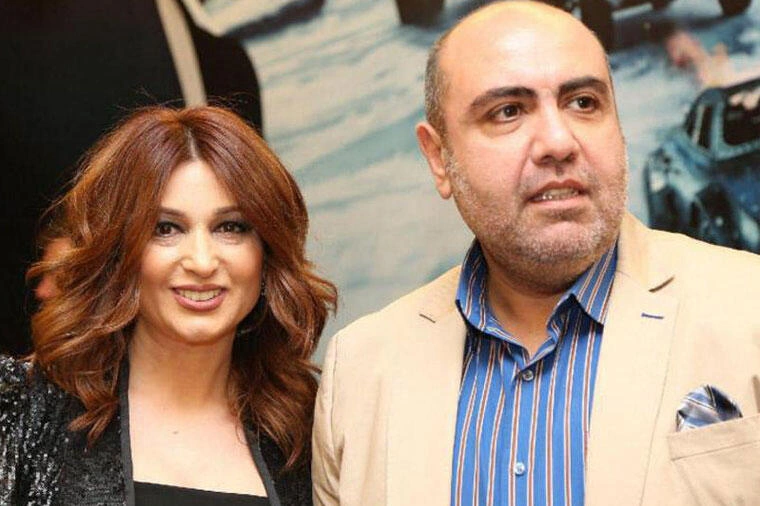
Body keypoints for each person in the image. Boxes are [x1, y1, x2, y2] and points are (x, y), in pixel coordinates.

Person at [311, 2, 760, 505]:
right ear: (438, 158)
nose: (558, 142)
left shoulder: (749, 310)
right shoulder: (359, 374)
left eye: (584, 103)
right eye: (508, 111)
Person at [2, 106, 336, 505]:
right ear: (117, 250)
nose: (202, 262)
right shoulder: (24, 410)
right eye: (166, 229)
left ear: (268, 251)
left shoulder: (306, 430)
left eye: (230, 227)